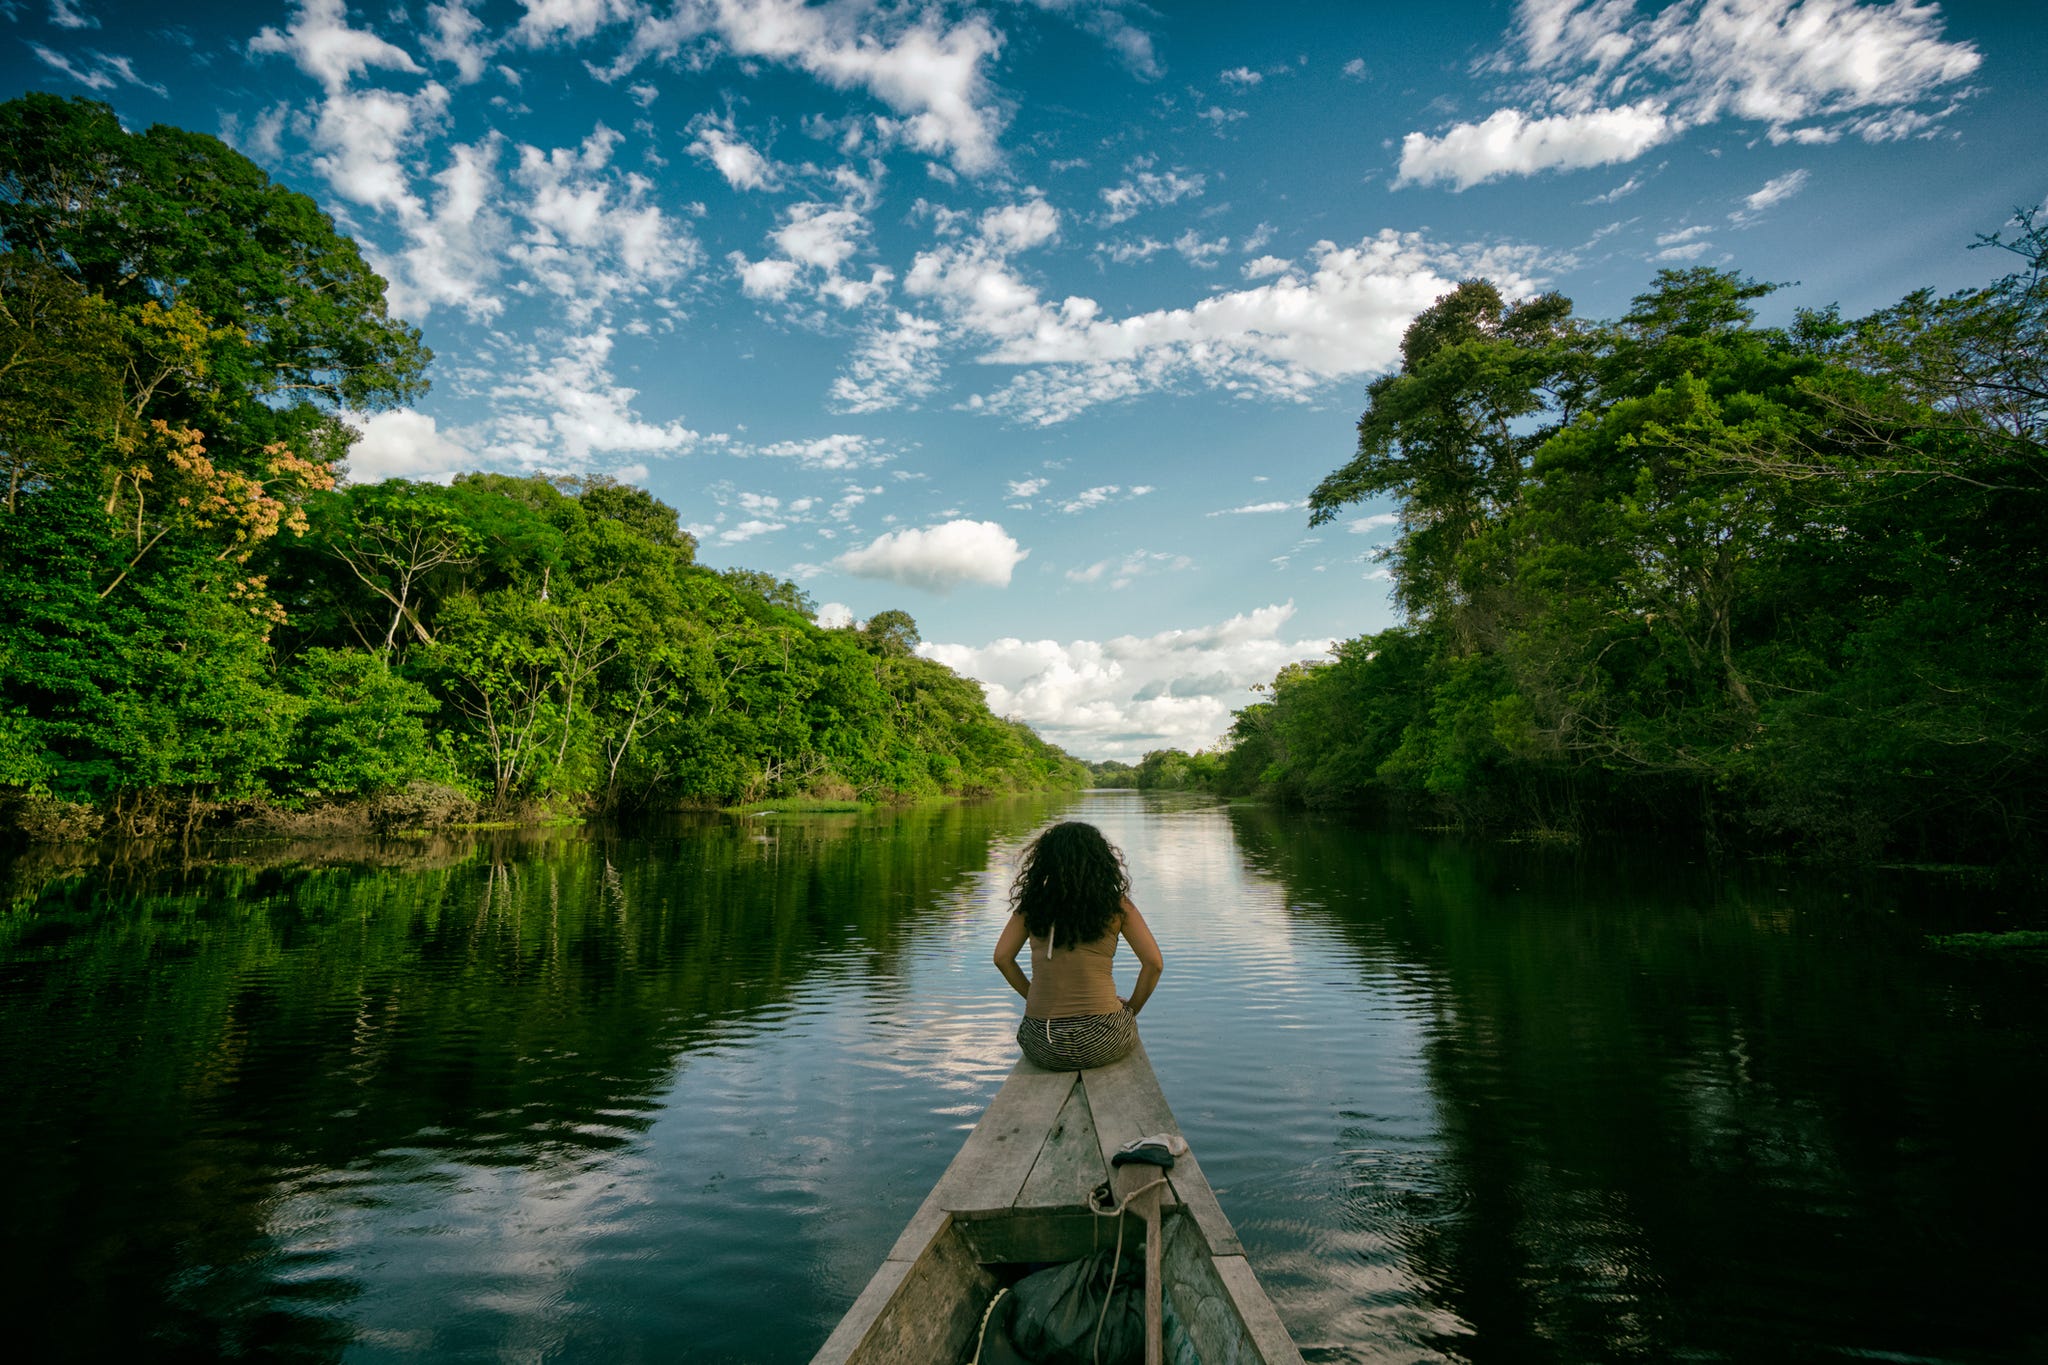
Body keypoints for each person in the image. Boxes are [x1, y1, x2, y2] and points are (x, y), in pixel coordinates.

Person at [993, 821, 1162, 1071]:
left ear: (1045, 862)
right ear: (1099, 860)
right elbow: (1154, 964)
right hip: (1105, 1038)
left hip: (1043, 1041)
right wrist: (1131, 1010)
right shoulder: (1117, 906)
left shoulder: (1031, 906)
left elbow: (1002, 958)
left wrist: (1033, 996)